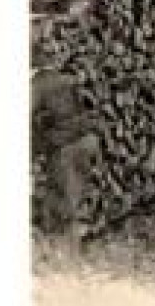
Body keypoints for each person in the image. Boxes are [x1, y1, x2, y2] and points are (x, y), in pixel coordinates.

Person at [31, 68, 103, 239]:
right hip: (85, 140)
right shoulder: (67, 77)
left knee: (66, 199)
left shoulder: (40, 83)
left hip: (65, 147)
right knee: (74, 195)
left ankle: (65, 251)